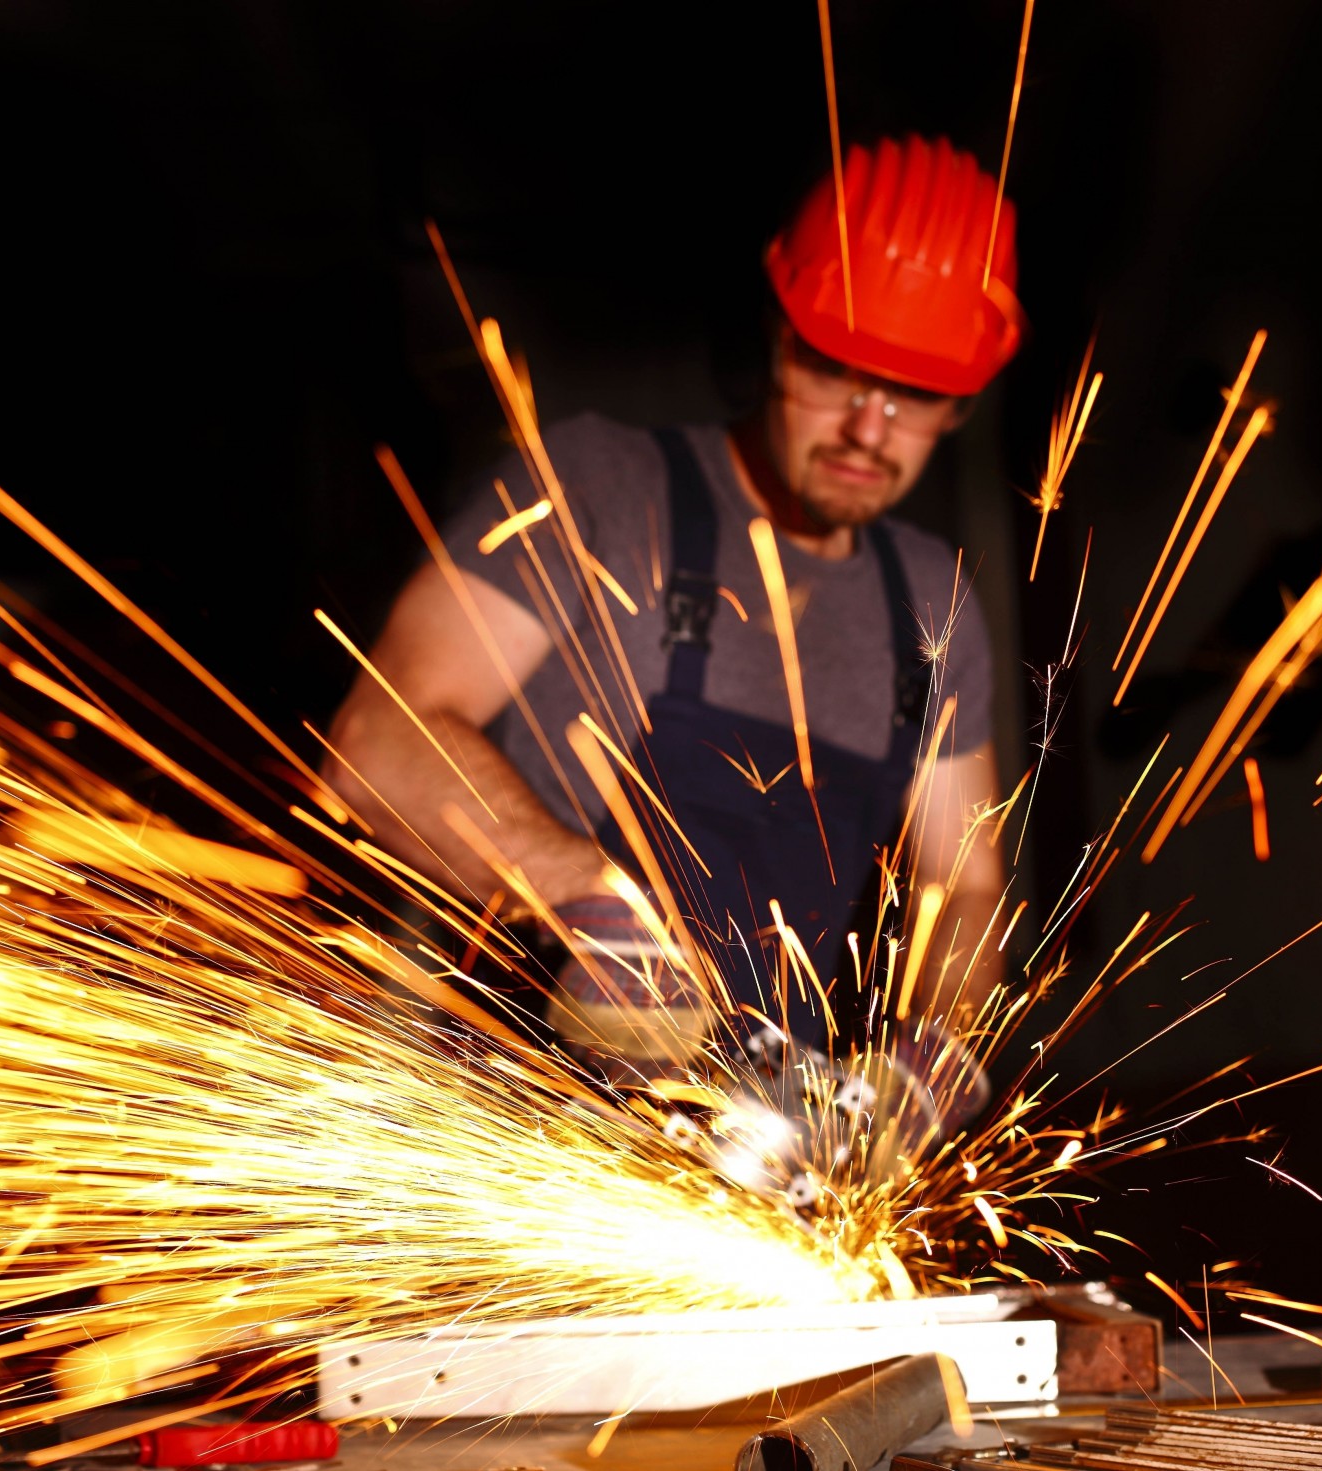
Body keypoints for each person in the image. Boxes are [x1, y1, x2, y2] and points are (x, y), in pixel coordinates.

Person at [325, 135, 1023, 1112]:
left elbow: (968, 880)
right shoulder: (603, 490)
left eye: (916, 393)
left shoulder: (929, 600)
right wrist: (587, 897)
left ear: (963, 403)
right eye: (836, 368)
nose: (870, 426)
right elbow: (376, 741)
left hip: (745, 1158)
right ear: (778, 336)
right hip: (491, 1119)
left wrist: (931, 1064)